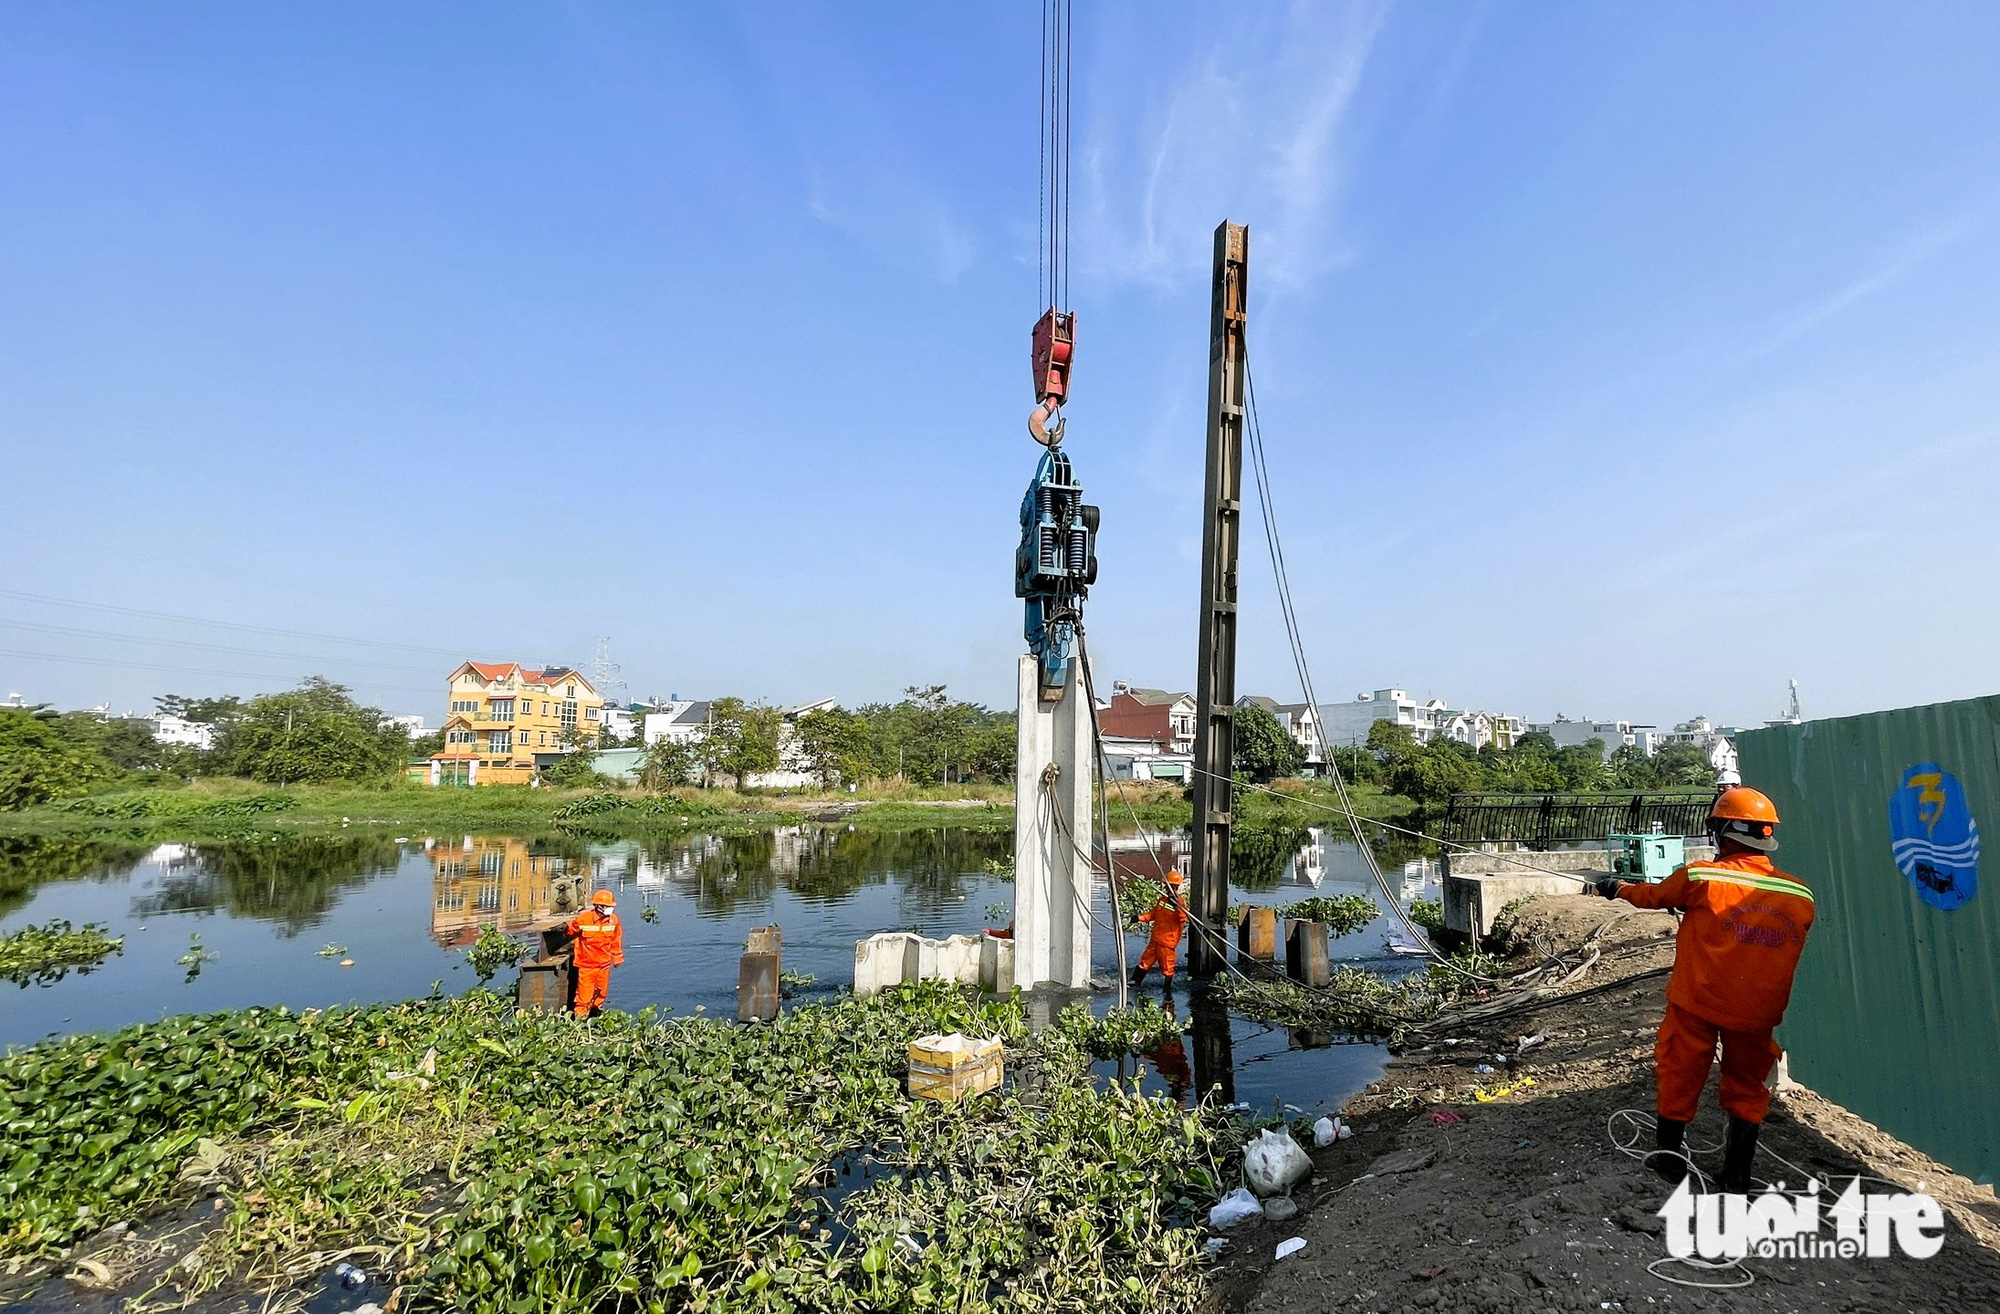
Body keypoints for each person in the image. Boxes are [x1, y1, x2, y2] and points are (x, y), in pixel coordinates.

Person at [1595, 786, 1815, 1191]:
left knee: (1681, 1070)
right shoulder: (1801, 895)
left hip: (1698, 1001)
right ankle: (1737, 1175)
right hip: (1757, 1014)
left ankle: (1669, 1161)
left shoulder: (1702, 877)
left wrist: (1618, 888)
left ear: (1722, 831)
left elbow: (1653, 896)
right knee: (1748, 1087)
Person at [566, 888, 625, 1019]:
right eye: (607, 906)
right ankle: (580, 1022)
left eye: (611, 906)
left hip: (603, 965)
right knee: (584, 996)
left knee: (601, 993)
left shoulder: (613, 920)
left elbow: (616, 940)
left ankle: (595, 1017)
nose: (610, 909)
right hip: (586, 965)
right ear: (599, 906)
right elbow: (570, 931)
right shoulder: (584, 919)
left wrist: (617, 958)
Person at [1132, 869, 1188, 988]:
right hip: (1156, 939)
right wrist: (1139, 918)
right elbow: (1153, 914)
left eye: (1166, 885)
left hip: (1167, 942)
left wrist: (1176, 906)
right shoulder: (1162, 899)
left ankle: (1167, 990)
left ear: (1173, 886)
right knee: (1145, 961)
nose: (1164, 887)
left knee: (1167, 967)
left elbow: (1183, 919)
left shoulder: (1180, 902)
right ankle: (1134, 982)